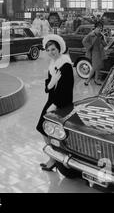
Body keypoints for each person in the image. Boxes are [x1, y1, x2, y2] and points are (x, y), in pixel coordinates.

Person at [36, 35, 74, 171]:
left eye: (53, 49)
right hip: (51, 100)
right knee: (43, 128)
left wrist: (56, 104)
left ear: (59, 49)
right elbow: (47, 88)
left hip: (60, 103)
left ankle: (55, 159)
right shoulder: (52, 64)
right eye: (48, 50)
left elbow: (67, 89)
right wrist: (51, 83)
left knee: (49, 129)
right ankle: (53, 158)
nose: (51, 52)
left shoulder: (65, 65)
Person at [82, 22, 107, 86]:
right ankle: (87, 81)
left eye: (101, 28)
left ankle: (96, 80)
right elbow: (84, 41)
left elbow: (105, 44)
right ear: (95, 28)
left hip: (101, 52)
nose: (100, 29)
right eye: (98, 28)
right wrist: (90, 46)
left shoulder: (101, 35)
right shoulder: (90, 35)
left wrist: (102, 39)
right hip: (94, 53)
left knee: (98, 67)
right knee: (95, 67)